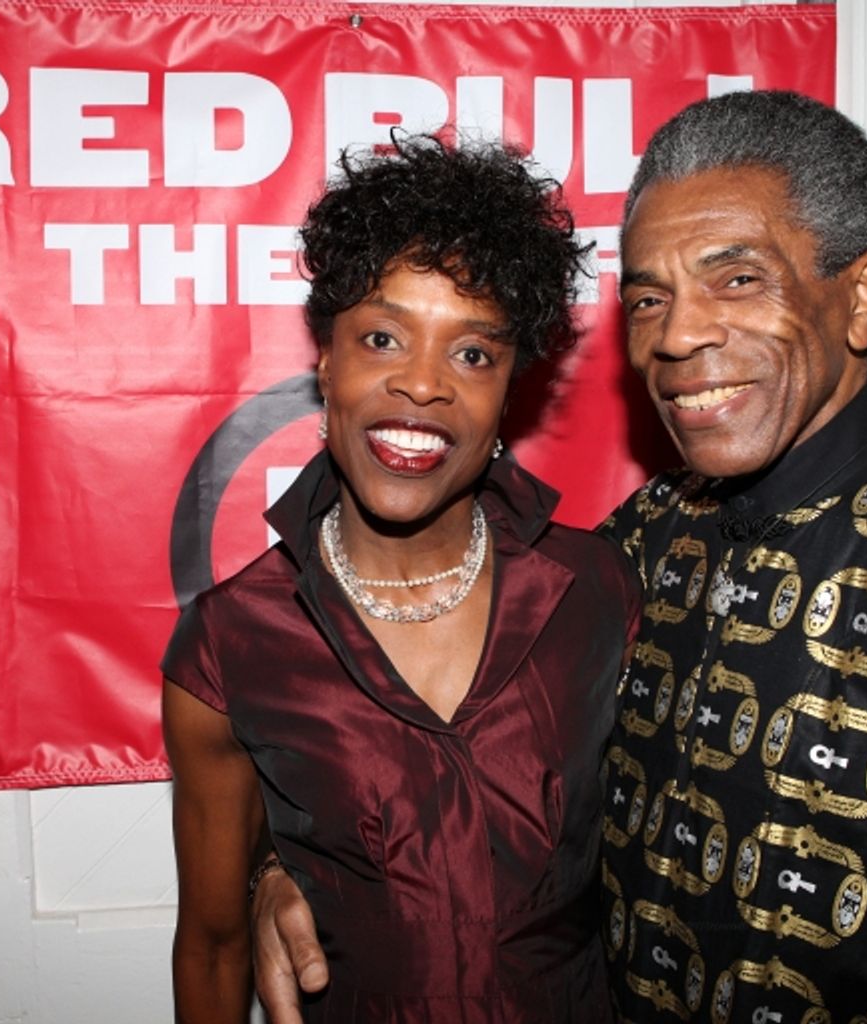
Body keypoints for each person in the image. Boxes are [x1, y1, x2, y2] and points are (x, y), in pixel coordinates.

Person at [252, 91, 867, 1020]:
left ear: (860, 299)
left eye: (737, 280)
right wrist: (288, 871)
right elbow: (464, 795)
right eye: (649, 298)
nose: (678, 336)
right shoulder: (639, 545)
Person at [162, 134, 641, 1023]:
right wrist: (273, 869)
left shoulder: (602, 592)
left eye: (472, 354)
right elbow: (215, 944)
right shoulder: (229, 644)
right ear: (327, 364)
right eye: (382, 337)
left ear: (509, 392)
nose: (421, 384)